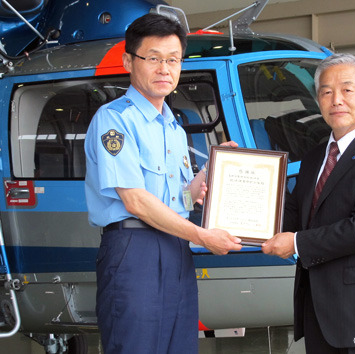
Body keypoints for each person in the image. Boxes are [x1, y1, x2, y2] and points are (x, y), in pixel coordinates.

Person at [84, 13, 242, 354]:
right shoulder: (115, 119)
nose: (164, 69)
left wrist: (209, 175)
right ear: (129, 61)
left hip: (176, 248)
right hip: (133, 249)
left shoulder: (173, 126)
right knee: (136, 346)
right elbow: (136, 201)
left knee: (180, 345)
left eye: (173, 60)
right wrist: (202, 236)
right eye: (153, 58)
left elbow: (179, 201)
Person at [262, 53, 355, 354]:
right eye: (326, 92)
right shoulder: (314, 156)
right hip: (319, 316)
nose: (336, 100)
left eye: (347, 89)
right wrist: (236, 196)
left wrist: (297, 243)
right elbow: (292, 215)